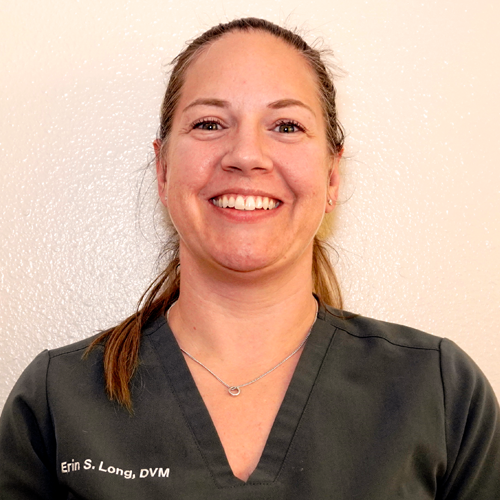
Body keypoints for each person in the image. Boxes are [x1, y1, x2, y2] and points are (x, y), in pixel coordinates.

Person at [0, 17, 498, 499]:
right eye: (209, 123)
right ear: (163, 169)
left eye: (286, 126)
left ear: (332, 176)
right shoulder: (56, 400)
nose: (246, 155)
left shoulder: (439, 392)